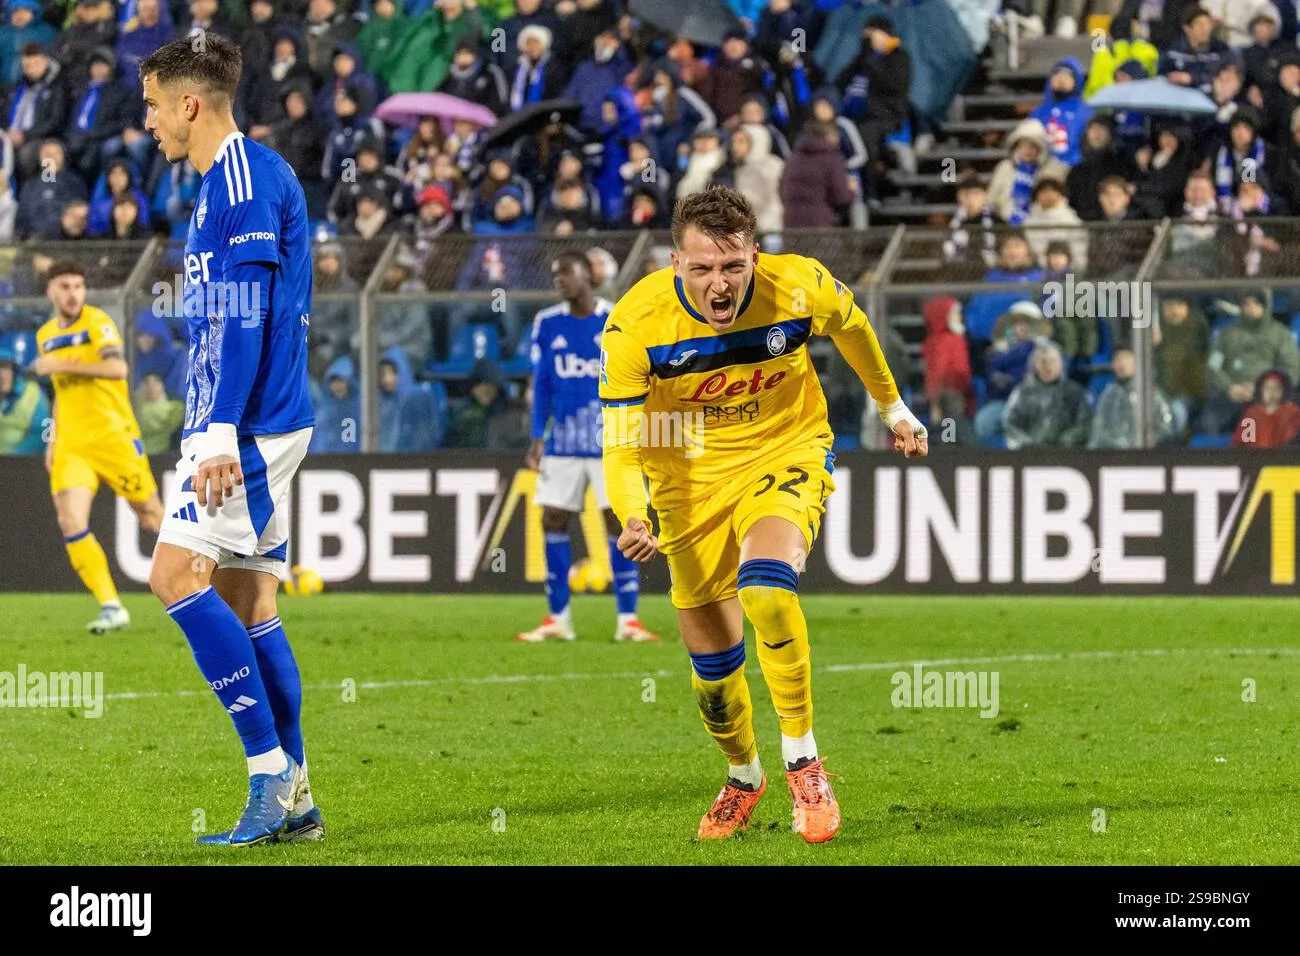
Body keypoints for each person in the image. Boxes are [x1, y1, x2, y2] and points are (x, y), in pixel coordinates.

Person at [600, 186, 926, 843]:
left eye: (732, 267)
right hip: (686, 481)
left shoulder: (800, 286)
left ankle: (803, 758)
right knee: (713, 673)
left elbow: (856, 330)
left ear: (756, 255)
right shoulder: (637, 324)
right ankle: (745, 775)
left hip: (785, 450)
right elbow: (621, 441)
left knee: (767, 589)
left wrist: (893, 408)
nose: (718, 284)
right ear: (674, 264)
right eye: (701, 269)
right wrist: (632, 514)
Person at [140, 35, 321, 847]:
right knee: (251, 601)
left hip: (248, 426)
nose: (147, 125)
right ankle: (301, 797)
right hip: (245, 418)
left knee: (173, 574)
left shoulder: (243, 180)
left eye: (151, 106)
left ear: (188, 104)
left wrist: (216, 435)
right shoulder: (221, 186)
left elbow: (244, 315)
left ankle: (267, 774)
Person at [516, 252, 659, 645]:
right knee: (553, 520)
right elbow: (542, 382)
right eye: (555, 275)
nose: (559, 280)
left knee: (619, 523)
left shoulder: (617, 318)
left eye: (567, 273)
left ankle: (627, 619)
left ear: (589, 276)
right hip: (562, 442)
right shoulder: (546, 322)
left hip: (608, 439)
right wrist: (537, 437)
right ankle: (558, 618)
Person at [34, 261, 164, 632]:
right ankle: (111, 605)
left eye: (78, 285)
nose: (73, 293)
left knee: (151, 516)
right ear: (51, 292)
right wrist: (52, 441)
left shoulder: (97, 324)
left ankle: (212, 579)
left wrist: (63, 362)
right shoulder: (45, 334)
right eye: (65, 286)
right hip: (72, 444)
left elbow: (118, 370)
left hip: (114, 436)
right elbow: (60, 394)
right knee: (70, 519)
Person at [1002, 343, 1092, 449]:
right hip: (1029, 455)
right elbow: (1010, 424)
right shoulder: (1022, 393)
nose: (1048, 366)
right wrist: (1028, 444)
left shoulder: (1075, 392)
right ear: (1035, 365)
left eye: (1053, 361)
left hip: (1067, 454)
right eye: (1043, 362)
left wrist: (1064, 442)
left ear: (1061, 364)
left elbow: (1085, 424)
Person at [1088, 347, 1177, 448]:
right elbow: (1098, 431)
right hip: (1112, 457)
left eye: (1126, 358)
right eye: (1117, 359)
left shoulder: (1151, 394)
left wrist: (1138, 444)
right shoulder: (1108, 395)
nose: (1121, 364)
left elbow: (1166, 430)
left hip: (1144, 457)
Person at [0, 344, 48, 454]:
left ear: (15, 371)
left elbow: (46, 435)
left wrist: (13, 455)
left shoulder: (34, 394)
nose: (0, 375)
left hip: (24, 462)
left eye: (5, 367)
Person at [1234, 370, 1300, 447]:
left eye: (1277, 388)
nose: (1272, 392)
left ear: (1284, 390)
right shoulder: (1252, 413)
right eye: (1267, 388)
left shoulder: (1292, 412)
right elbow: (1242, 443)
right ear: (1260, 390)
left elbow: (1292, 440)